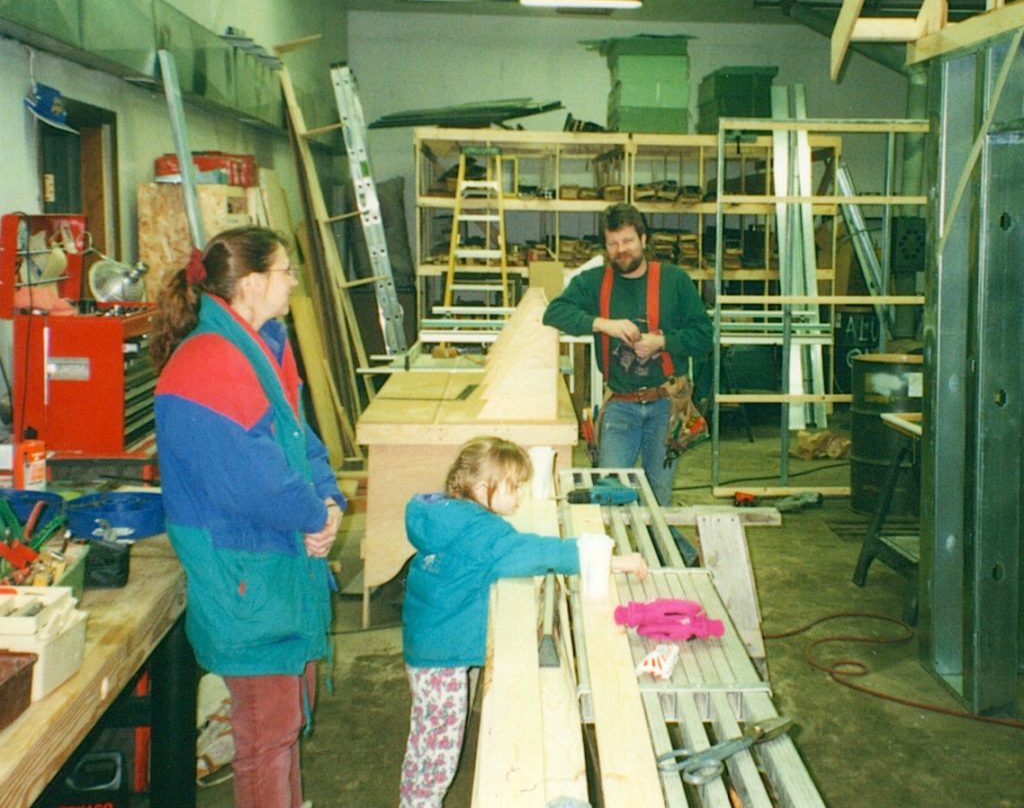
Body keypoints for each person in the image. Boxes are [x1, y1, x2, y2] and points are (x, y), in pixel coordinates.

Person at [152, 226, 344, 808]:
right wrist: (314, 516)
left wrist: (329, 503)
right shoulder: (207, 365)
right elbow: (254, 482)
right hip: (244, 576)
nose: (292, 283)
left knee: (283, 728)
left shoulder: (262, 346)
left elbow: (302, 441)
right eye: (287, 272)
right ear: (255, 283)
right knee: (265, 736)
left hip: (275, 567)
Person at [399, 436, 647, 808]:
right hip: (442, 659)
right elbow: (538, 552)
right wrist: (609, 559)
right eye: (513, 488)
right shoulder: (481, 533)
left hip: (425, 644)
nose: (517, 497)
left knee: (426, 736)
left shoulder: (444, 514)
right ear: (483, 488)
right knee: (438, 750)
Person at [543, 203, 713, 506]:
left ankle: (668, 553)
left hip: (666, 406)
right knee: (611, 493)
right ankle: (656, 553)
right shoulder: (594, 282)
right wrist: (602, 324)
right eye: (613, 243)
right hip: (621, 407)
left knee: (658, 499)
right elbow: (554, 312)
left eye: (628, 241)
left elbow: (704, 337)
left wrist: (661, 342)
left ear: (643, 240)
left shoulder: (674, 281)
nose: (621, 250)